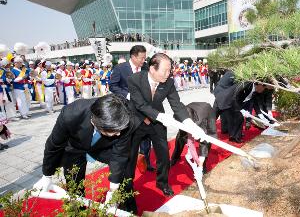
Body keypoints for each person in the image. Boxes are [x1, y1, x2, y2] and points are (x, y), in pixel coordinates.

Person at [33, 94, 135, 213]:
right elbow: (54, 145)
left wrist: (113, 189)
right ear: (94, 122)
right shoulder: (71, 114)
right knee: (74, 185)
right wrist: (47, 175)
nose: (118, 134)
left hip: (105, 148)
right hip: (75, 147)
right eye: (113, 131)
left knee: (124, 176)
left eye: (119, 131)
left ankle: (127, 208)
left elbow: (119, 155)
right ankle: (79, 212)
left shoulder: (125, 119)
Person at [126, 53, 206, 200]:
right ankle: (128, 188)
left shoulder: (168, 82)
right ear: (152, 69)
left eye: (170, 70)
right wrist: (161, 116)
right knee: (130, 157)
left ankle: (162, 183)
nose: (168, 74)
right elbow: (140, 104)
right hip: (137, 121)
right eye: (165, 70)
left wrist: (189, 123)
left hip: (157, 124)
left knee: (163, 154)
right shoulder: (134, 80)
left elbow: (177, 105)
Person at [170, 102, 217, 174]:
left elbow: (204, 142)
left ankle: (203, 165)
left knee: (207, 139)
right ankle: (175, 158)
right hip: (191, 112)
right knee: (180, 137)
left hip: (207, 113)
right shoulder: (181, 115)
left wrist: (201, 160)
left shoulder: (201, 121)